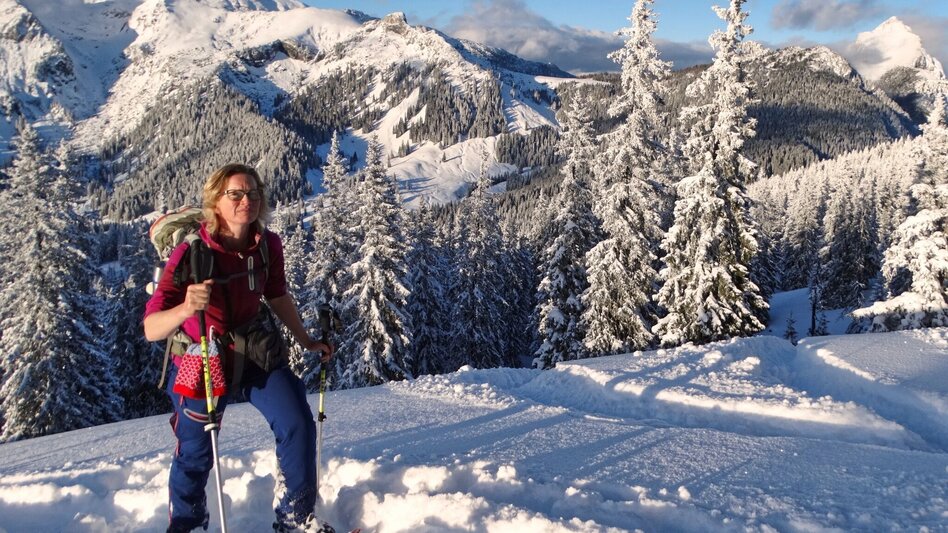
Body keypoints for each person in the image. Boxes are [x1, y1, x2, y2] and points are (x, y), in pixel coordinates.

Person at [144, 163, 334, 533]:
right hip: (200, 357)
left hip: (253, 350)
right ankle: (187, 524)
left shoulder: (267, 245)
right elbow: (152, 327)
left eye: (252, 193)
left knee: (295, 421)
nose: (246, 200)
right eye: (235, 194)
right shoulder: (190, 252)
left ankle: (296, 519)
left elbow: (276, 295)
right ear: (216, 201)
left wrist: (306, 339)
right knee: (196, 451)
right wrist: (185, 307)